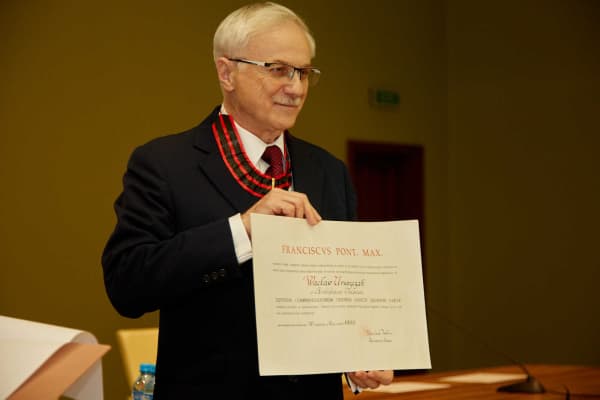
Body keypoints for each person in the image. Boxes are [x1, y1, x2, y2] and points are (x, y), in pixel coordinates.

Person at [102, 2, 394, 399]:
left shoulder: (329, 170)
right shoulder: (165, 164)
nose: (296, 88)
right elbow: (127, 285)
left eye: (303, 72)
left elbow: (344, 295)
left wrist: (359, 354)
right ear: (227, 73)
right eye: (277, 69)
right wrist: (241, 231)